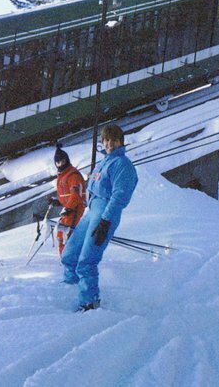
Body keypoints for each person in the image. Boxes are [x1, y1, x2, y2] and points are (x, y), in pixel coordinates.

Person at [61, 124, 138, 311]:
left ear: (121, 142)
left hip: (105, 214)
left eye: (113, 140)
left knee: (87, 260)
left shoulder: (122, 165)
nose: (109, 144)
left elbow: (120, 196)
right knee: (69, 254)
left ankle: (89, 303)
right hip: (92, 211)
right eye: (106, 140)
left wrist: (105, 220)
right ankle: (69, 292)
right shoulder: (102, 163)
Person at [52, 144, 85, 256]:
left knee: (68, 233)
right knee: (61, 233)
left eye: (62, 161)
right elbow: (66, 194)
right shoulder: (62, 175)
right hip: (68, 209)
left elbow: (76, 195)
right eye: (58, 162)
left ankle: (70, 257)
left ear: (67, 160)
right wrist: (58, 202)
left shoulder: (72, 175)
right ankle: (64, 258)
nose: (60, 164)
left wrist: (69, 207)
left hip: (74, 209)